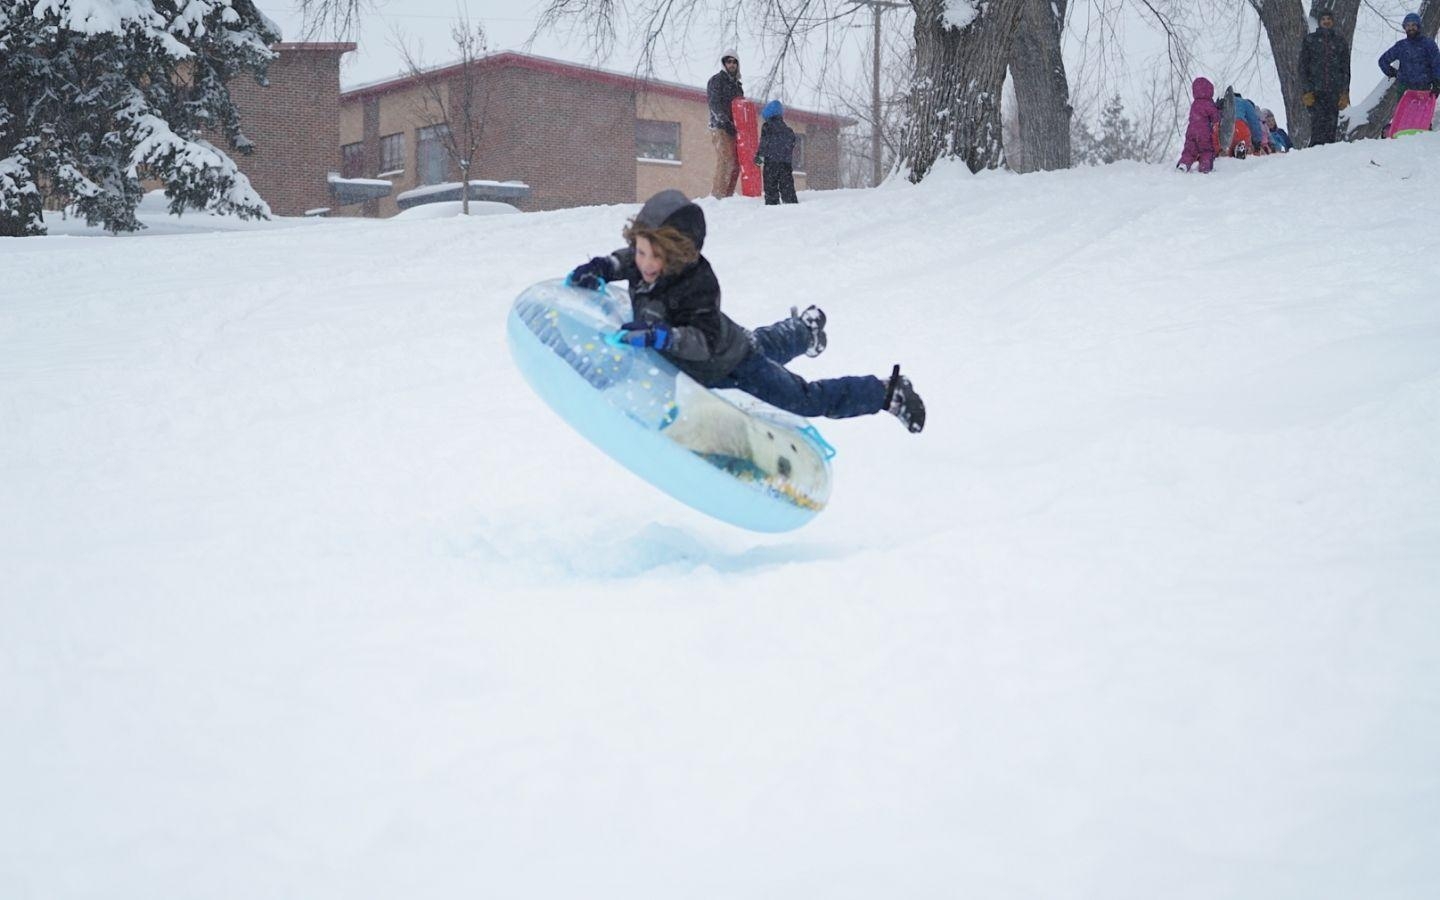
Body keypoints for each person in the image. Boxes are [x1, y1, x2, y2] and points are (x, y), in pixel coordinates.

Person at [566, 190, 925, 433]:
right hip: (732, 342)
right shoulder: (644, 262)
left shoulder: (700, 284)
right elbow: (626, 260)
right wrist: (604, 267)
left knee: (800, 397)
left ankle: (886, 392)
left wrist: (662, 337)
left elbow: (703, 342)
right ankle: (804, 329)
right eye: (641, 251)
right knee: (758, 343)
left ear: (676, 254)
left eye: (654, 255)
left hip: (727, 363)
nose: (644, 263)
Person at [1299, 9, 1351, 146]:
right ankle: (1315, 152)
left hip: (1334, 91)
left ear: (1332, 22)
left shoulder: (1340, 42)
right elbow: (1303, 67)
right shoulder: (1310, 40)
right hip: (1315, 91)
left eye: (1329, 19)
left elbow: (1345, 68)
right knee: (1317, 124)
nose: (1326, 22)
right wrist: (1306, 90)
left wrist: (1345, 91)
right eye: (1323, 19)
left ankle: (1329, 154)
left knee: (1331, 125)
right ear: (1319, 22)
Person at [706, 51, 745, 199]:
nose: (732, 64)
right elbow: (714, 104)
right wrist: (724, 121)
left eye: (734, 62)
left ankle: (728, 196)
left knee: (736, 162)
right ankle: (718, 196)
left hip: (735, 129)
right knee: (726, 159)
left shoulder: (737, 86)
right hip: (720, 127)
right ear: (724, 63)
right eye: (728, 61)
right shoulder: (716, 81)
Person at [1378, 12, 1440, 98]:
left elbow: (1437, 64)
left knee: (1421, 112)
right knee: (1402, 112)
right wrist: (1394, 73)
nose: (1410, 28)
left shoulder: (1429, 44)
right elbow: (1383, 61)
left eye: (1413, 25)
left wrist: (1437, 83)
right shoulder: (1401, 46)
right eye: (1408, 25)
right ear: (1405, 27)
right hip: (1404, 90)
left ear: (1418, 26)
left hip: (1424, 90)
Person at [755, 100, 799, 204]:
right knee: (787, 185)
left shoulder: (767, 127)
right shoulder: (788, 130)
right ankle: (790, 202)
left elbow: (764, 144)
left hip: (771, 163)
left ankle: (772, 204)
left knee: (771, 187)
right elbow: (792, 143)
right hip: (785, 164)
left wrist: (759, 159)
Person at [1177, 77, 1221, 173]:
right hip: (1204, 133)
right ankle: (1205, 166)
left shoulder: (1194, 104)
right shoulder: (1209, 104)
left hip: (1191, 131)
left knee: (1189, 151)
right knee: (1206, 150)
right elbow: (1215, 118)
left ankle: (1183, 164)